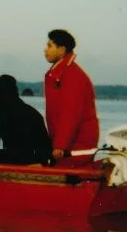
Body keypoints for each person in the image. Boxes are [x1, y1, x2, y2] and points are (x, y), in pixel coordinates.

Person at [43, 29, 100, 162]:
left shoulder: (72, 75)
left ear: (61, 49)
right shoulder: (58, 74)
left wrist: (60, 145)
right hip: (67, 144)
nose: (45, 50)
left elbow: (70, 113)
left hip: (78, 145)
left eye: (49, 46)